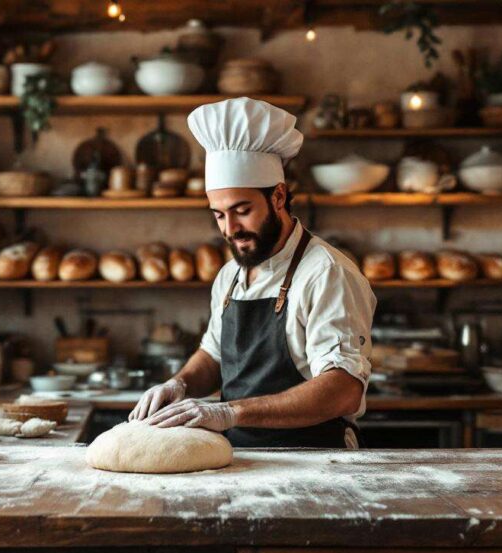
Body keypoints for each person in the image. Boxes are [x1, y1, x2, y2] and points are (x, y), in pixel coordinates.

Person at [129, 97, 376, 448]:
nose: (230, 229)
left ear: (278, 196)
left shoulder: (326, 273)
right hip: (239, 457)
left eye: (242, 210)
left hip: (316, 462)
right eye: (218, 214)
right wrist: (179, 384)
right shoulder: (230, 275)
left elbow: (343, 390)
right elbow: (213, 355)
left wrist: (231, 412)